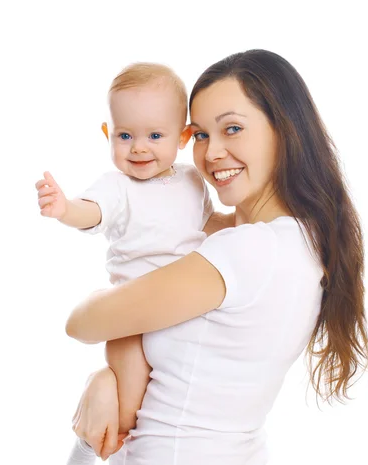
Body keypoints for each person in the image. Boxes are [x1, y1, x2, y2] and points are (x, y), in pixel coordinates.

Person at [65, 49, 368, 465]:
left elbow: (82, 323)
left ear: (284, 130)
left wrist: (103, 381)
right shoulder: (301, 238)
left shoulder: (248, 252)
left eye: (232, 129)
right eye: (203, 134)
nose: (211, 154)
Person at [35, 62, 221, 464]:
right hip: (130, 314)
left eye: (155, 136)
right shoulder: (117, 186)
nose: (139, 147)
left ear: (184, 137)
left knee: (170, 399)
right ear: (108, 134)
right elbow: (93, 211)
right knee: (127, 409)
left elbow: (211, 224)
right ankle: (85, 450)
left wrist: (251, 218)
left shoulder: (192, 181)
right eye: (125, 135)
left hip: (180, 307)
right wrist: (65, 208)